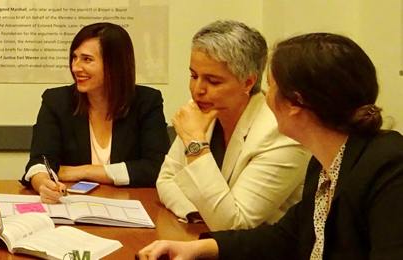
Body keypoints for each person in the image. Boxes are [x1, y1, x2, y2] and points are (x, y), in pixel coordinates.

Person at [139, 33, 403, 260]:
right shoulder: (326, 163)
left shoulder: (389, 167)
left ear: (296, 103)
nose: (265, 98)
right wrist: (200, 248)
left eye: (271, 87)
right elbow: (287, 235)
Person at [155, 20, 311, 230]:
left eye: (213, 81)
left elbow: (234, 223)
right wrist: (200, 214)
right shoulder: (201, 107)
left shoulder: (279, 132)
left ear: (247, 82)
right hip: (200, 235)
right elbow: (165, 180)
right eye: (193, 76)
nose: (197, 89)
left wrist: (194, 141)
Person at [20, 22, 171, 204]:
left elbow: (156, 168)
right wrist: (43, 182)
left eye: (87, 59)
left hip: (130, 207)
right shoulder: (57, 101)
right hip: (73, 208)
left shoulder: (146, 102)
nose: (75, 67)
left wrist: (83, 171)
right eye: (74, 58)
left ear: (114, 65)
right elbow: (40, 160)